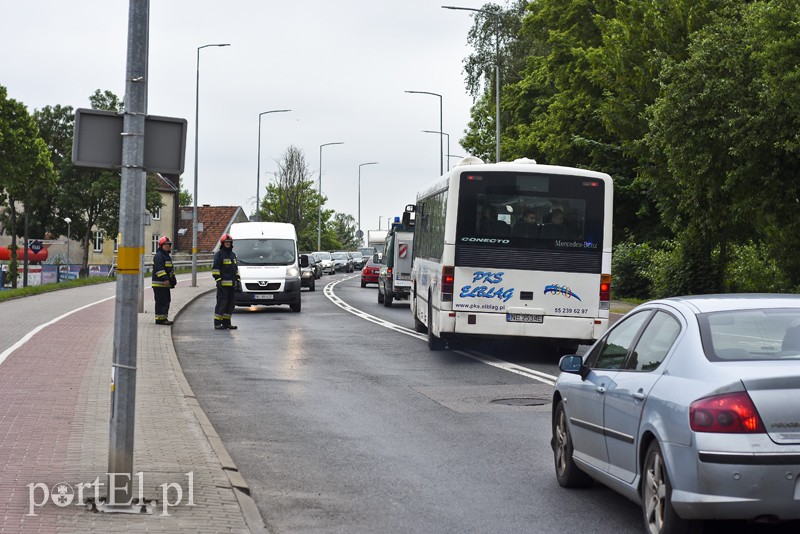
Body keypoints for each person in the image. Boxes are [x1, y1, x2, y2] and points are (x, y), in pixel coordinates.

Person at [212, 233, 241, 330]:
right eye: (226, 242)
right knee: (221, 304)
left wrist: (238, 280)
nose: (227, 243)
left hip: (232, 285)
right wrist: (219, 280)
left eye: (229, 242)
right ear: (223, 243)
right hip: (223, 286)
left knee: (230, 304)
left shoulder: (233, 255)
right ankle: (217, 323)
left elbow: (235, 269)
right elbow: (215, 269)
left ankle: (226, 323)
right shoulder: (219, 255)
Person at [152, 236, 177, 325]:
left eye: (168, 245)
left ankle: (164, 318)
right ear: (161, 245)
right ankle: (159, 319)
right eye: (165, 245)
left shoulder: (166, 256)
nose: (167, 246)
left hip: (165, 284)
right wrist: (165, 279)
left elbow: (169, 270)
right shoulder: (159, 256)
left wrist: (173, 279)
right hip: (159, 284)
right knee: (161, 302)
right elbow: (159, 269)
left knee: (166, 301)